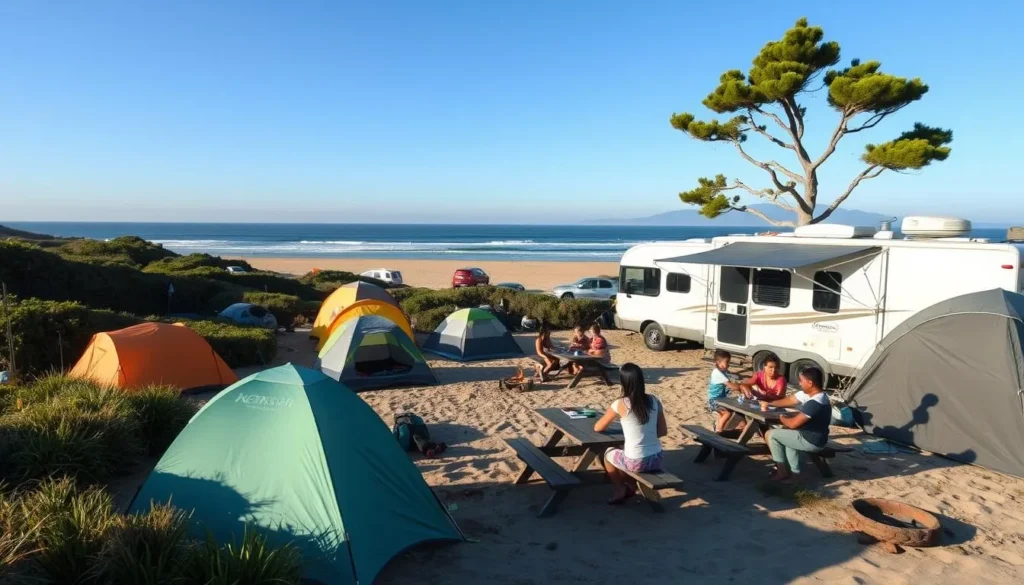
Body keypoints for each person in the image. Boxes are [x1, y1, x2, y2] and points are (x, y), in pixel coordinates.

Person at [594, 363, 667, 504]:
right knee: (622, 451)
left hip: (636, 461)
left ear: (623, 382)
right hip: (657, 459)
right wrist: (645, 435)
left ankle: (619, 488)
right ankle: (632, 484)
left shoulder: (620, 403)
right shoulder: (654, 400)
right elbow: (663, 431)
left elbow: (598, 427)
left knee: (608, 453)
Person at [762, 366, 831, 481]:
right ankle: (795, 473)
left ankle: (782, 470)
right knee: (788, 437)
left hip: (811, 441)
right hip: (817, 437)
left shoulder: (814, 403)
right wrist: (770, 404)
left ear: (810, 383)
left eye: (801, 381)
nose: (800, 383)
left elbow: (793, 424)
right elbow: (791, 401)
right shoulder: (821, 396)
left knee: (771, 434)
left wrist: (782, 417)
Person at [708, 349, 742, 432]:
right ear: (718, 362)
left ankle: (719, 424)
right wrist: (741, 387)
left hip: (722, 399)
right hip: (714, 401)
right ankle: (719, 430)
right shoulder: (717, 373)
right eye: (726, 362)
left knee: (733, 409)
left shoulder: (723, 371)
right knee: (727, 413)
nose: (728, 364)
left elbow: (731, 383)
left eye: (729, 362)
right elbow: (731, 385)